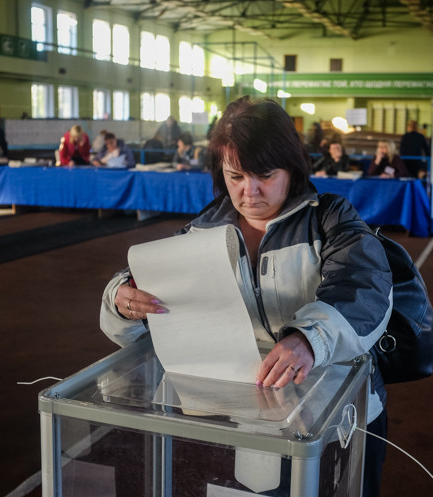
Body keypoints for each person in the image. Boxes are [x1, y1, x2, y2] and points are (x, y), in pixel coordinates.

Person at [99, 96, 393, 497]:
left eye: (264, 175)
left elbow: (364, 285)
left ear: (292, 167)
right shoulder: (203, 234)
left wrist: (309, 339)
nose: (249, 192)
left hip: (342, 415)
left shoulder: (330, 218)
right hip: (260, 418)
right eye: (235, 177)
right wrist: (121, 300)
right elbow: (142, 287)